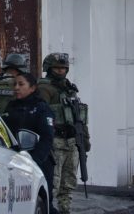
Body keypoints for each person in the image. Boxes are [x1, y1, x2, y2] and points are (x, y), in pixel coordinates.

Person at [37, 53, 89, 214]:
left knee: (68, 182)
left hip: (72, 142)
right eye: (57, 68)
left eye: (63, 68)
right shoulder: (44, 88)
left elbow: (79, 118)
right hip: (55, 142)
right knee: (53, 182)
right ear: (48, 68)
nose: (60, 71)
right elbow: (41, 115)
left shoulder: (69, 89)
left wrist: (85, 138)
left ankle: (65, 210)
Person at [3, 72, 56, 211]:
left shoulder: (41, 108)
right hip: (14, 162)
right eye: (15, 84)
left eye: (21, 84)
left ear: (32, 88)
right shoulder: (11, 107)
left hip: (39, 163)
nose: (16, 87)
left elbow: (47, 137)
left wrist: (34, 161)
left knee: (42, 203)